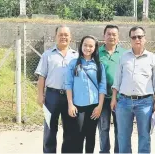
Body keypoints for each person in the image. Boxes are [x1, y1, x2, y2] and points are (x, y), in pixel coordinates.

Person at [111, 26, 155, 153]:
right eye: (134, 37)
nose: (137, 39)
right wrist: (113, 98)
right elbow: (117, 80)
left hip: (145, 102)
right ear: (130, 39)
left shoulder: (152, 58)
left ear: (144, 38)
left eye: (140, 36)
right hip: (123, 102)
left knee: (144, 136)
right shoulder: (123, 57)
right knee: (123, 136)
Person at [34, 25, 78, 153]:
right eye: (60, 34)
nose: (63, 37)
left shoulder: (76, 56)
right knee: (50, 129)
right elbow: (42, 77)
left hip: (71, 98)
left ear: (71, 38)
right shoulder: (47, 55)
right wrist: (40, 95)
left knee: (70, 130)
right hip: (52, 96)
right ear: (55, 37)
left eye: (66, 35)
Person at [64, 35, 107, 153]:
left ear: (95, 48)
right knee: (78, 135)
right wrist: (70, 104)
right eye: (85, 45)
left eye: (91, 46)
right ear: (81, 46)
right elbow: (68, 84)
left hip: (94, 106)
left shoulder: (99, 65)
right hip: (78, 106)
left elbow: (102, 87)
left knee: (91, 136)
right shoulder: (73, 63)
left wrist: (100, 106)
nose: (87, 48)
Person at [97, 25, 126, 153]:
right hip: (102, 98)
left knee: (120, 128)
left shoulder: (125, 54)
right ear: (104, 36)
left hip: (120, 98)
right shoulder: (96, 53)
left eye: (114, 34)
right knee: (103, 128)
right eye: (108, 34)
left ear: (118, 37)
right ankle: (104, 151)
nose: (111, 36)